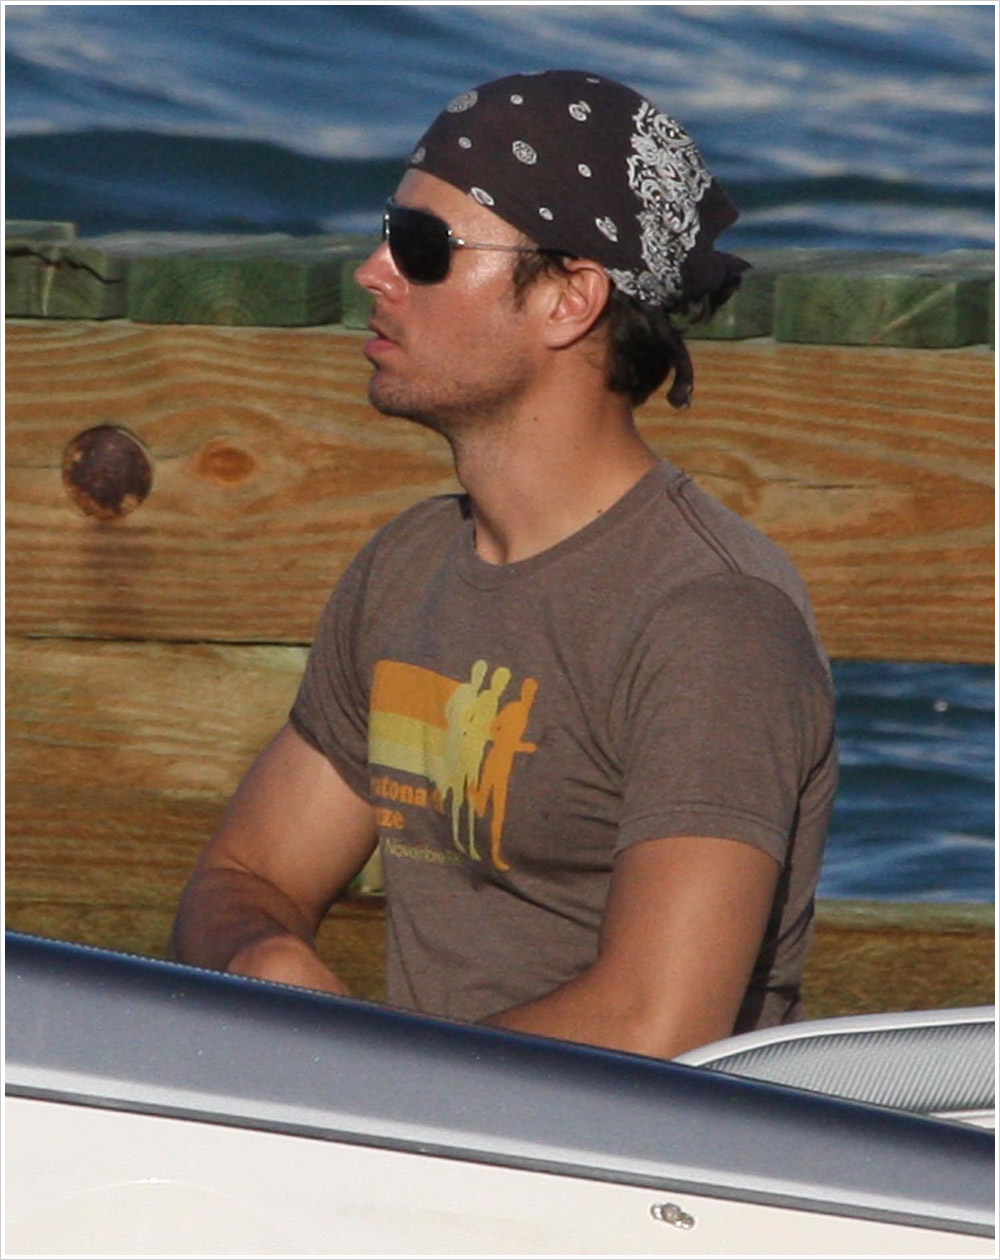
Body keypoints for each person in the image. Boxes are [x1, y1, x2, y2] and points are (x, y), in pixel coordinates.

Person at [170, 70, 837, 1060]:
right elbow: (246, 877)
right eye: (387, 231)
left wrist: (366, 1085)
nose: (372, 270)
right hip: (416, 1123)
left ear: (571, 298)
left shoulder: (712, 617)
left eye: (423, 246)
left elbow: (657, 1024)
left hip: (606, 1154)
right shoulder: (408, 567)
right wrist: (261, 956)